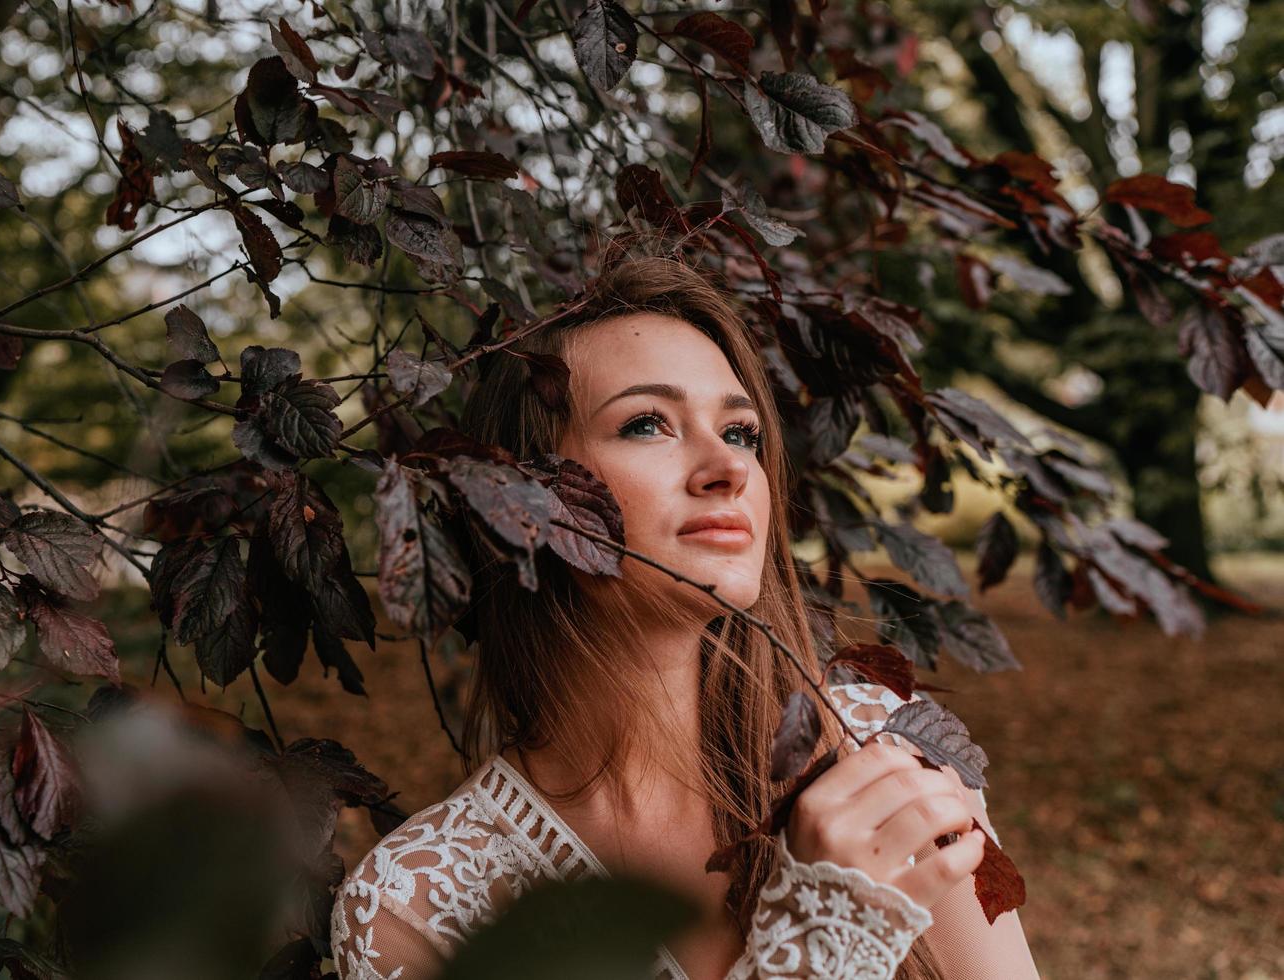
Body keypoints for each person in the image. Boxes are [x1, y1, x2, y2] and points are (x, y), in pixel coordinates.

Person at [329, 252, 1041, 979]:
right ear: (523, 503)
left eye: (740, 433)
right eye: (646, 424)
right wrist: (820, 949)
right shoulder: (416, 906)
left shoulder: (883, 758)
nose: (728, 467)